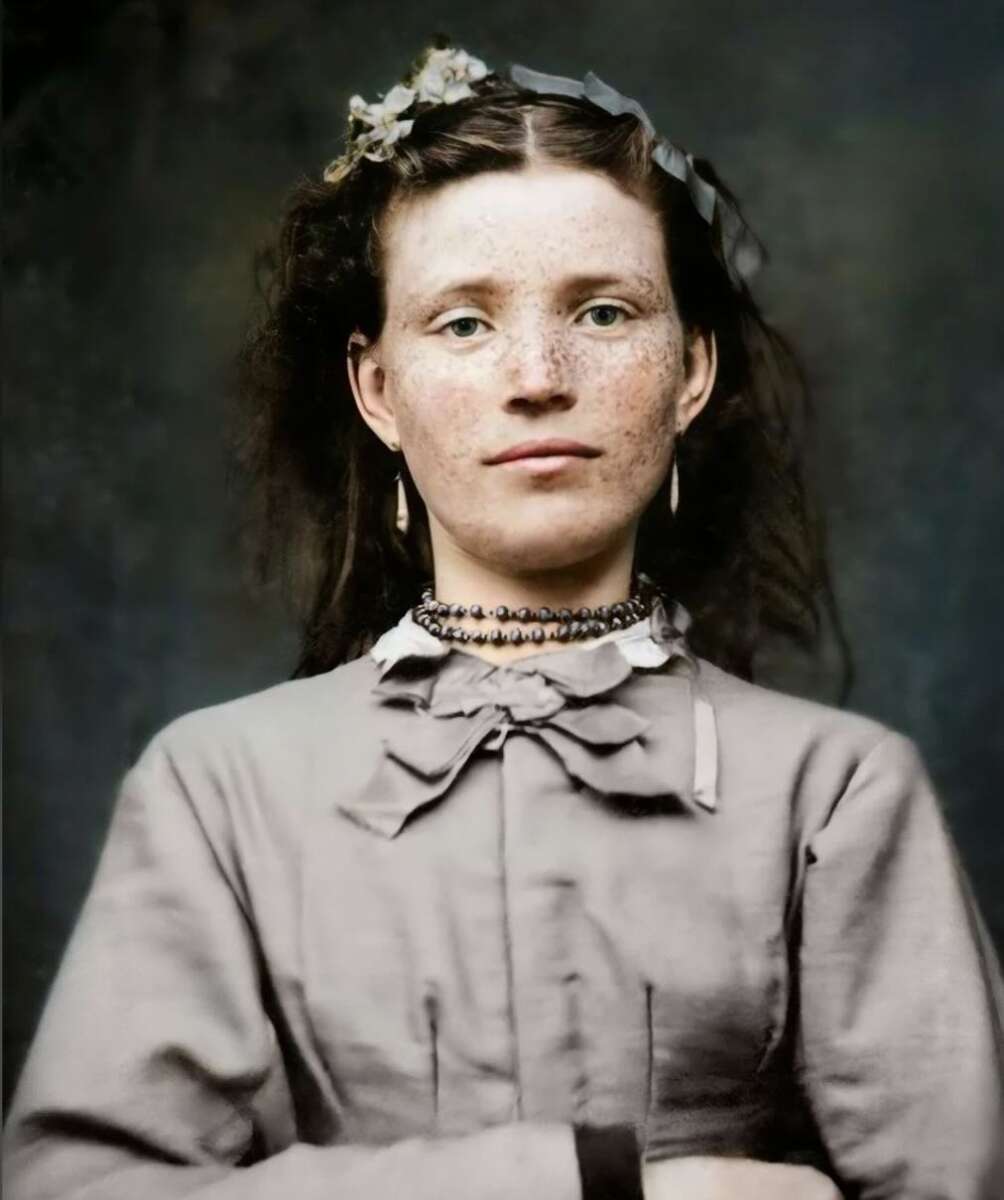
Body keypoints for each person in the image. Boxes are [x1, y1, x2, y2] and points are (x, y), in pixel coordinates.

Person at [4, 41, 1003, 1200]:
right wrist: (606, 1186)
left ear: (689, 370)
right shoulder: (214, 788)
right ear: (375, 388)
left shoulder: (837, 790)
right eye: (462, 323)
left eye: (601, 309)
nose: (536, 375)